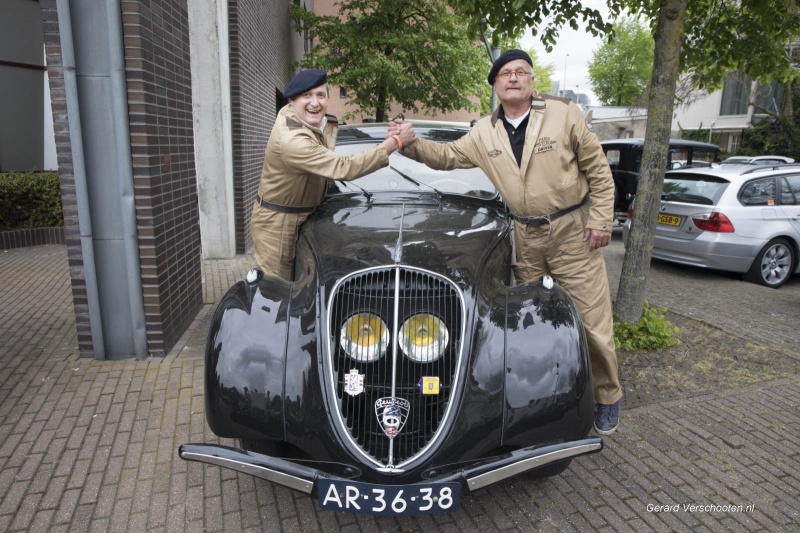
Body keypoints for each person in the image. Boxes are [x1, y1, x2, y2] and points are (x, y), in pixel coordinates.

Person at [390, 50, 622, 435]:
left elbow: (598, 170)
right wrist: (409, 143)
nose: (513, 78)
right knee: (531, 319)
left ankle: (607, 396)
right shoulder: (484, 132)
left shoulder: (565, 115)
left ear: (531, 81)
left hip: (571, 232)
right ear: (496, 86)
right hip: (525, 237)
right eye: (505, 74)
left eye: (521, 72)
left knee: (590, 320)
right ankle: (548, 393)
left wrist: (600, 221)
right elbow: (446, 156)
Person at [251, 69, 414, 280]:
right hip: (279, 222)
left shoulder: (305, 120)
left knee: (355, 253)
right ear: (292, 100)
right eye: (306, 96)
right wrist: (395, 143)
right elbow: (343, 167)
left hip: (312, 212)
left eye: (320, 95)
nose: (315, 103)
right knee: (279, 290)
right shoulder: (293, 140)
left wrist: (383, 137)